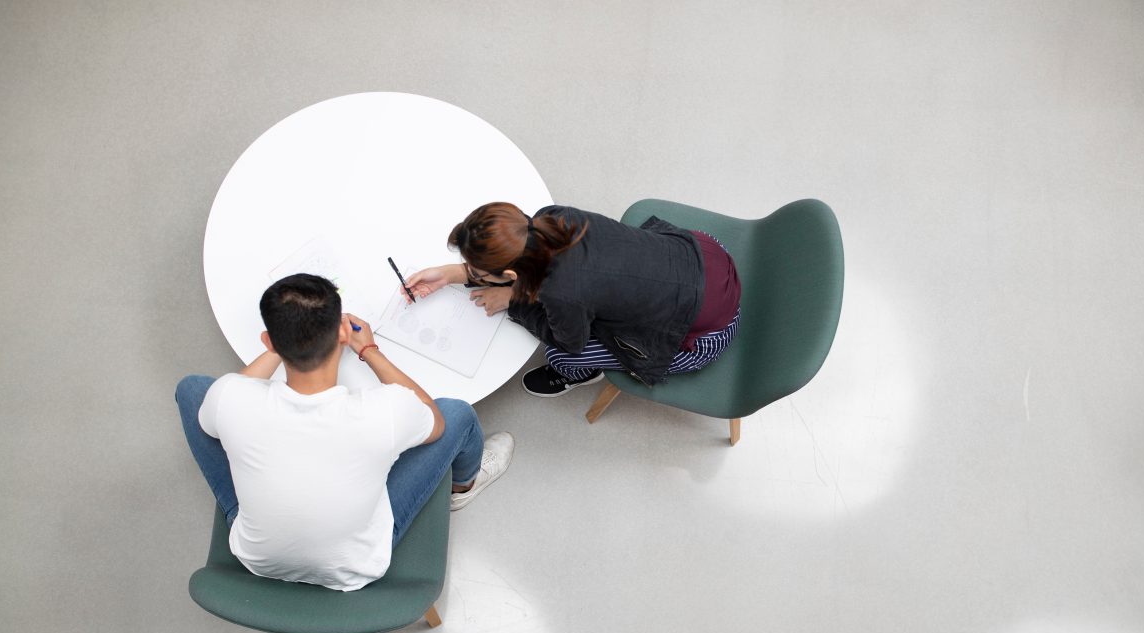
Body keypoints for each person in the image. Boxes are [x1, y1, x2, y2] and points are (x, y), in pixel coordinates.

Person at [175, 273, 513, 592]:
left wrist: (283, 341)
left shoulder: (231, 396)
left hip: (257, 556)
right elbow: (436, 420)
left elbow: (228, 393)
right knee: (458, 413)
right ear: (342, 333)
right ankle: (463, 486)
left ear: (267, 342)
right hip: (356, 562)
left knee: (194, 391)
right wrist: (369, 350)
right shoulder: (385, 411)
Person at [402, 202, 741, 397]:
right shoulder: (552, 216)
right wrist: (453, 273)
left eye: (475, 269)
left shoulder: (562, 294)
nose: (470, 271)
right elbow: (539, 270)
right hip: (709, 258)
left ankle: (580, 377)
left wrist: (514, 302)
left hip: (705, 337)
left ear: (510, 278)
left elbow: (571, 341)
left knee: (560, 355)